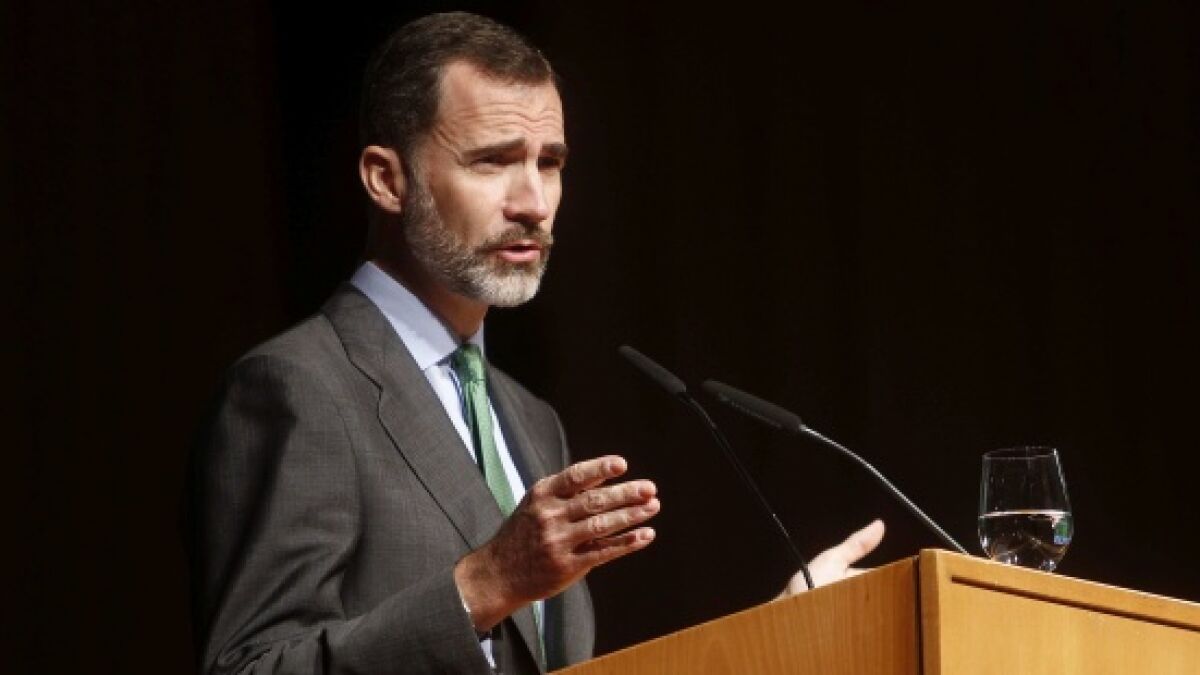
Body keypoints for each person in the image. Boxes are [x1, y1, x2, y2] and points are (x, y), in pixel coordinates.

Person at [186, 11, 885, 675]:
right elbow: (252, 666)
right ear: (387, 180)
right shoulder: (298, 387)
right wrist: (484, 583)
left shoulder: (529, 418)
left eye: (549, 162)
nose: (534, 203)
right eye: (492, 162)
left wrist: (774, 640)